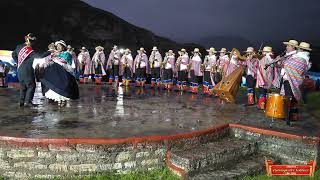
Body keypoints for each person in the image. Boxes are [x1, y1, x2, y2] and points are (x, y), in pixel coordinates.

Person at [33, 40, 79, 105]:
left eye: (60, 46)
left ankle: (62, 100)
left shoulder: (67, 53)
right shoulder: (53, 53)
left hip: (64, 73)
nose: (58, 47)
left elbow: (64, 61)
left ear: (63, 47)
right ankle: (52, 99)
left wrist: (57, 56)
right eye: (57, 46)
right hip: (55, 73)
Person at [279, 40, 310, 125]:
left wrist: (282, 62)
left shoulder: (302, 59)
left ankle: (287, 118)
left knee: (289, 98)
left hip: (291, 80)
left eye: (299, 48)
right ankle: (290, 117)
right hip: (290, 80)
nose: (298, 49)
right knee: (291, 99)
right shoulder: (297, 57)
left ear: (302, 50)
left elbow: (288, 65)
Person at [12, 33, 38, 107]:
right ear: (30, 41)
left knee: (23, 87)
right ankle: (28, 102)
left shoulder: (18, 47)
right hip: (28, 71)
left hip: (20, 70)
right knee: (31, 86)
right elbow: (39, 56)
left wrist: (18, 62)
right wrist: (49, 52)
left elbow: (13, 55)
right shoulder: (30, 50)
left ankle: (21, 102)